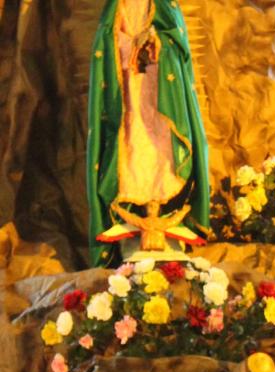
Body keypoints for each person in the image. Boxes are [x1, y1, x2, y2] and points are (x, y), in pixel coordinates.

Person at [86, 0, 211, 267]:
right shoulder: (114, 9)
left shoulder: (165, 5)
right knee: (131, 151)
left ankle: (159, 216)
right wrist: (127, 45)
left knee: (160, 153)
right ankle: (138, 221)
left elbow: (178, 45)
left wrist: (155, 41)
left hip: (160, 99)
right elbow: (104, 51)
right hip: (128, 96)